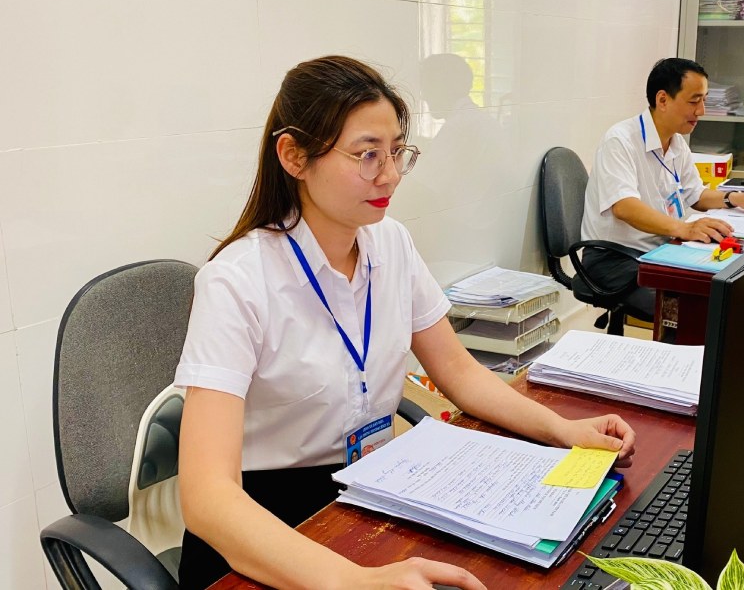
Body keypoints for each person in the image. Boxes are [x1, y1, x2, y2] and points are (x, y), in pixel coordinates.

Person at [175, 56, 637, 589]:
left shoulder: (389, 242)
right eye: (367, 155)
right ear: (294, 155)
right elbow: (208, 501)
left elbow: (458, 373)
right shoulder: (236, 280)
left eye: (396, 152)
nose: (390, 175)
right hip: (265, 527)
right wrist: (354, 583)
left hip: (366, 492)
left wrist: (565, 431)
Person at [581, 58, 744, 315]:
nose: (701, 110)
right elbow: (624, 207)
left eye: (704, 100)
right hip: (615, 258)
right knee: (695, 310)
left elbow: (695, 194)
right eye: (694, 101)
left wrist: (734, 197)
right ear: (663, 100)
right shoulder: (620, 141)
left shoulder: (677, 143)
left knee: (727, 285)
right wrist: (685, 228)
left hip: (661, 248)